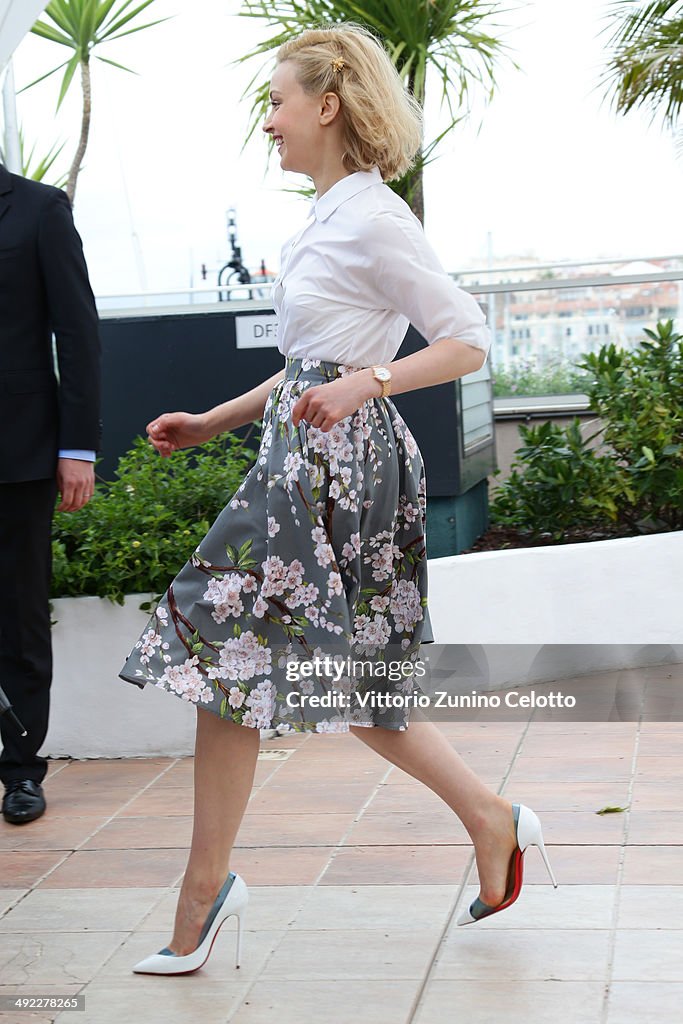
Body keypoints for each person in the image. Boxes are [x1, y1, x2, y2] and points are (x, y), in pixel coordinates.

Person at [119, 23, 557, 975]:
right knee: (341, 677)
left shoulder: (375, 218)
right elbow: (300, 371)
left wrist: (372, 382)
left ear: (328, 105)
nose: (267, 121)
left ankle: (204, 891)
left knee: (221, 635)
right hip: (302, 455)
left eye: (277, 101)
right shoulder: (324, 218)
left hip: (341, 462)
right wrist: (212, 421)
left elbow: (466, 339)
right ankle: (490, 819)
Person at [0, 165, 101, 824]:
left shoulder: (39, 209)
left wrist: (77, 448)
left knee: (18, 616)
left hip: (18, 452)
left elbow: (79, 331)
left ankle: (20, 769)